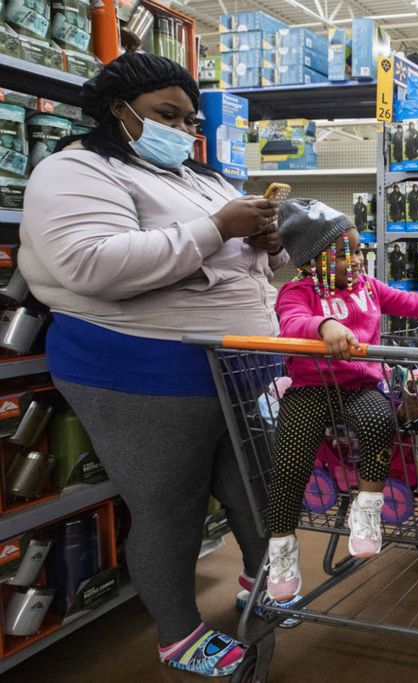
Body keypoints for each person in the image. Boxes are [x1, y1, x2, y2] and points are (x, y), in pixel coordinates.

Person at [18, 52, 286, 677]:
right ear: (118, 109)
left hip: (236, 371)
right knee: (171, 508)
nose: (182, 128)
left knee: (257, 490)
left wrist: (267, 247)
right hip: (141, 372)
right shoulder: (73, 171)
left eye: (189, 118)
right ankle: (179, 636)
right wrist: (219, 227)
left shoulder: (202, 178)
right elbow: (92, 264)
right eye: (167, 113)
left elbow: (251, 273)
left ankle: (263, 584)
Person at [263, 200, 418, 599]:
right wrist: (324, 324)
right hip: (310, 389)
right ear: (309, 261)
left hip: (360, 386)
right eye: (341, 254)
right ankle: (281, 546)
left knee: (380, 423)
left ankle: (367, 507)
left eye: (357, 250)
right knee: (289, 461)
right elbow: (291, 324)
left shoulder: (369, 288)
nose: (353, 261)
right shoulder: (295, 292)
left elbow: (412, 303)